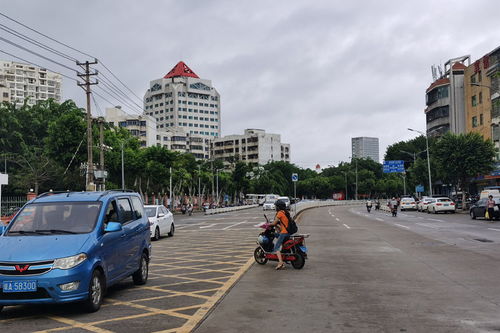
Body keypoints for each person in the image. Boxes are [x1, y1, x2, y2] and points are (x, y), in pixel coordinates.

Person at [269, 199, 290, 270]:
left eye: (276, 206)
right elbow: (281, 226)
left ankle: (280, 262)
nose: (275, 208)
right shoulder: (285, 212)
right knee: (275, 234)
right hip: (287, 233)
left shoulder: (280, 213)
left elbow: (274, 222)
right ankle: (282, 257)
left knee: (276, 248)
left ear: (278, 207)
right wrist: (276, 226)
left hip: (284, 233)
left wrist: (268, 224)